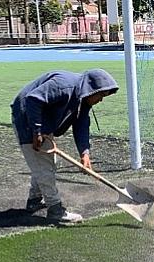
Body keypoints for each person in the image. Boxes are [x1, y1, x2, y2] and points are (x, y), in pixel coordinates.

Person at [11, 69, 119, 223]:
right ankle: (55, 210)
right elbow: (33, 99)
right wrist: (37, 131)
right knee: (44, 168)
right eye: (101, 95)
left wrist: (85, 153)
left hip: (42, 120)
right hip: (26, 117)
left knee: (46, 164)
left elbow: (81, 125)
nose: (101, 100)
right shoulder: (64, 85)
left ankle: (34, 200)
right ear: (92, 89)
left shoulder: (83, 98)